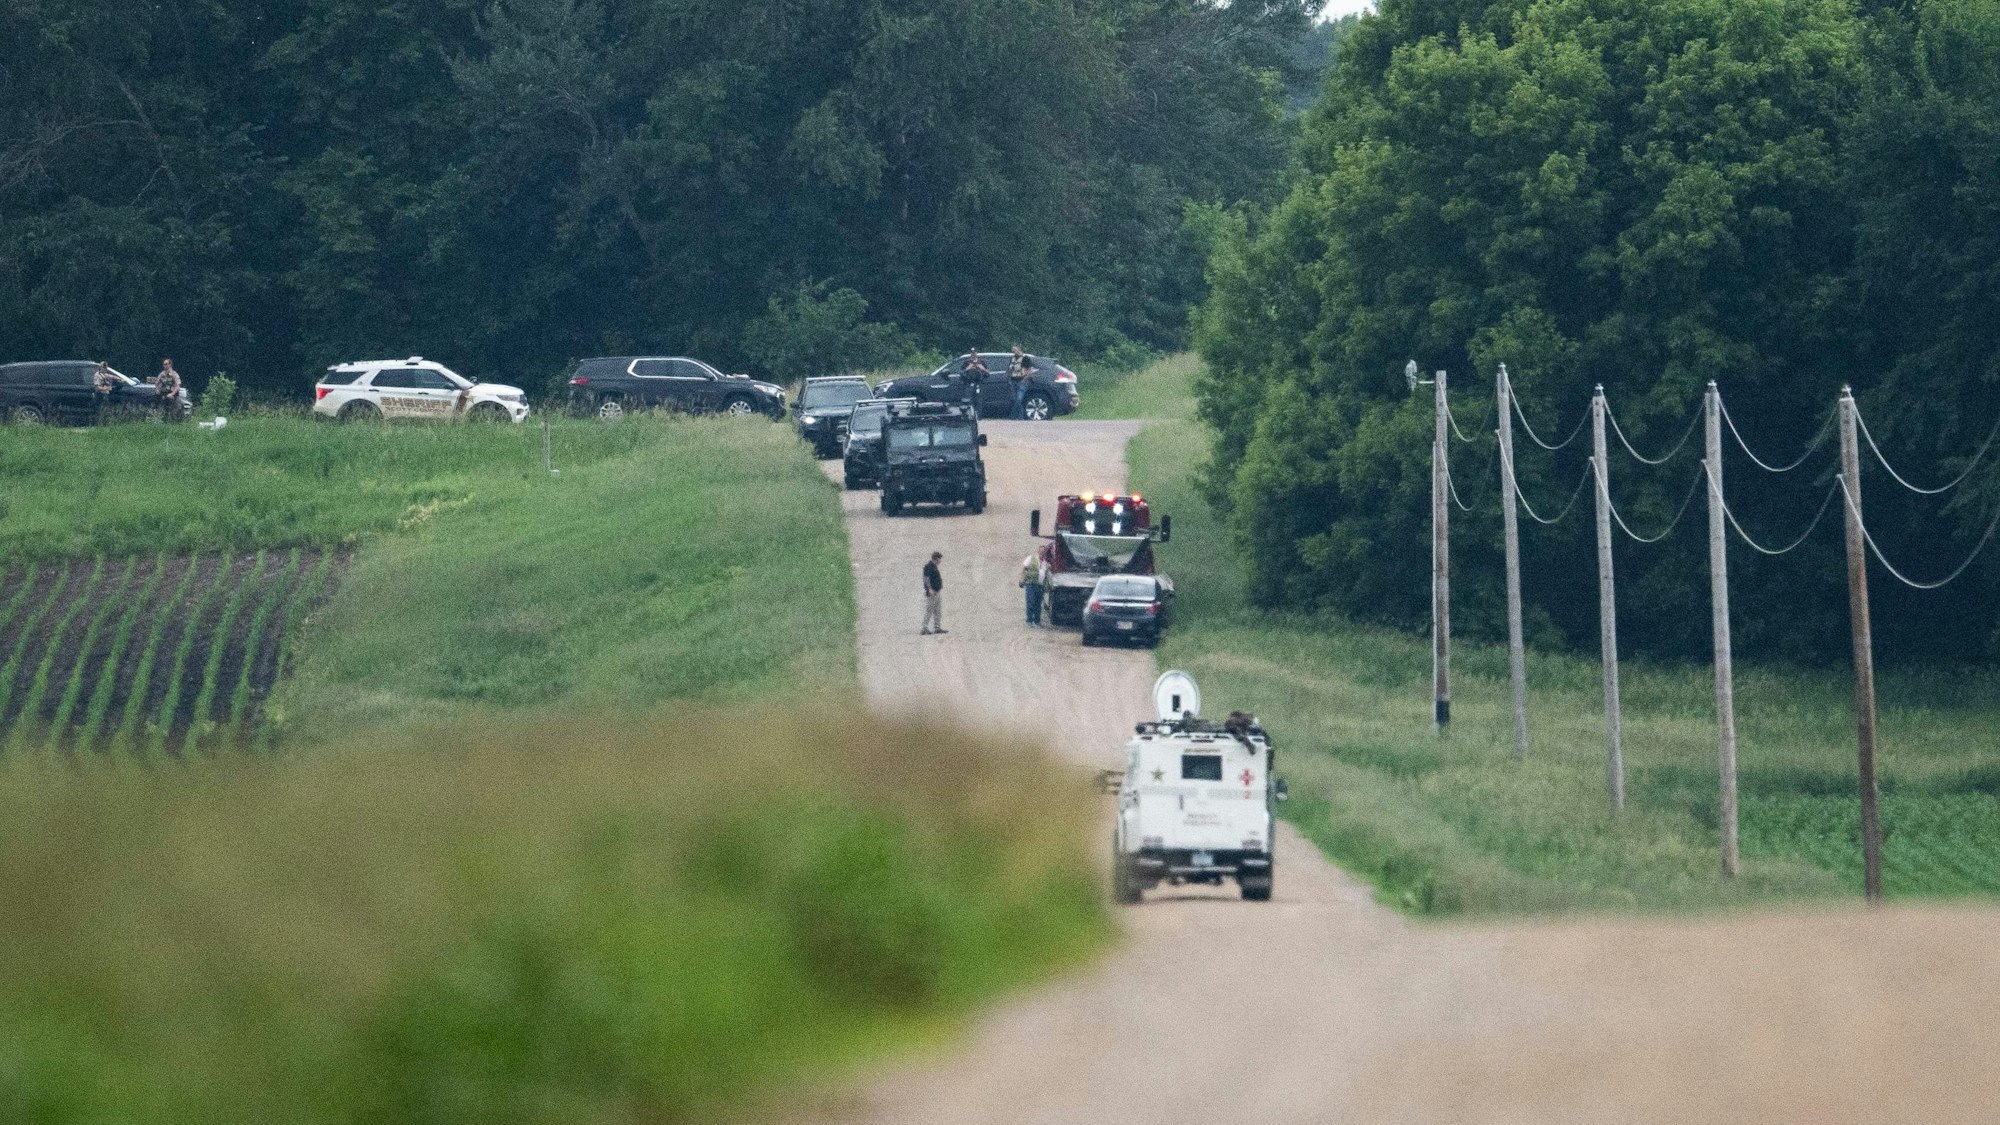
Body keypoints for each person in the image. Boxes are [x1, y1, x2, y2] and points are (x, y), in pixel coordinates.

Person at [921, 551, 947, 635]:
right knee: (929, 610)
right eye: (940, 559)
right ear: (936, 558)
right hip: (932, 592)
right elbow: (926, 578)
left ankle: (937, 627)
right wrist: (929, 589)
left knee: (937, 610)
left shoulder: (934, 566)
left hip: (937, 592)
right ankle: (924, 628)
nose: (940, 561)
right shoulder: (928, 566)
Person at [1007, 344, 1035, 420]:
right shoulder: (1012, 359)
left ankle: (1013, 416)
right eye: (1013, 350)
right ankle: (1020, 417)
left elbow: (1031, 370)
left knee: (1019, 399)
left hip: (1022, 380)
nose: (1013, 352)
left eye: (1015, 350)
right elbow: (1010, 370)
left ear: (1019, 349)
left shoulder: (1026, 358)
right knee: (1015, 399)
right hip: (1013, 380)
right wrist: (1009, 379)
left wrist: (1025, 379)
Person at [1019, 548, 1045, 627]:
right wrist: (1022, 580)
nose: (1042, 553)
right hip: (1031, 584)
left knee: (1038, 603)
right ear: (1038, 552)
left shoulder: (1045, 562)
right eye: (1041, 552)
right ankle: (1029, 621)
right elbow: (1024, 568)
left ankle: (1037, 621)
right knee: (1031, 602)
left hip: (1040, 585)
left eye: (1044, 552)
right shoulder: (1031, 558)